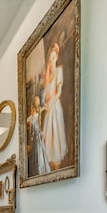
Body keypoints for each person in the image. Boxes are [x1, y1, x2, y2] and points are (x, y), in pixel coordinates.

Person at [42, 42, 68, 171]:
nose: (51, 61)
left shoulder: (59, 71)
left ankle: (56, 168)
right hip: (48, 110)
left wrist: (51, 103)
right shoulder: (47, 76)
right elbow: (45, 95)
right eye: (50, 58)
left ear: (56, 58)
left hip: (55, 108)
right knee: (48, 140)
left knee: (55, 138)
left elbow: (59, 92)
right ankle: (51, 168)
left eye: (53, 58)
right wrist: (46, 105)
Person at [26, 95, 50, 176]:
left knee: (39, 153)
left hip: (37, 137)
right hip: (36, 137)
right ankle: (38, 170)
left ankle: (40, 170)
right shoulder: (33, 116)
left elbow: (45, 108)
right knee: (37, 153)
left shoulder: (36, 114)